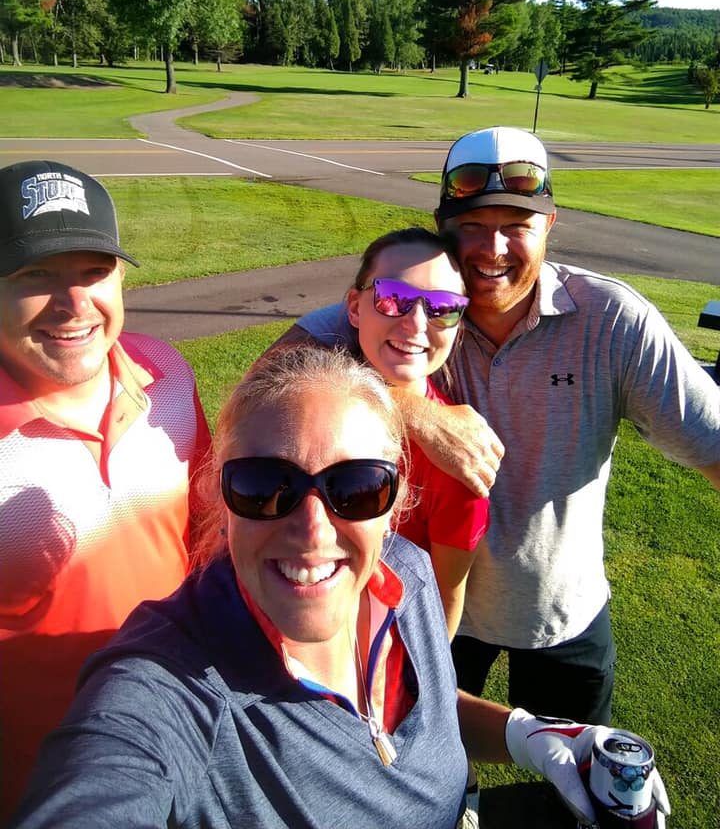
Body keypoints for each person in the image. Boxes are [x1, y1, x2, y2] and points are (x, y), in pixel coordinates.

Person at [8, 346, 669, 829]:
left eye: (356, 488)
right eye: (267, 487)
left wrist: (525, 733)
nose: (313, 528)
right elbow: (106, 776)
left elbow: (419, 717)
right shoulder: (168, 685)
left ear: (396, 499)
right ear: (218, 493)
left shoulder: (405, 576)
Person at [284, 125, 720, 727]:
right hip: (430, 608)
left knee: (576, 775)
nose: (492, 248)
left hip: (561, 609)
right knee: (434, 767)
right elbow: (276, 375)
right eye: (472, 225)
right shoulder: (416, 303)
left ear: (550, 225)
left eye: (517, 224)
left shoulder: (612, 320)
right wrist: (419, 410)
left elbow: (714, 445)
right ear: (443, 228)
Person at [0, 160, 211, 821]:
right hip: (41, 791)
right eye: (36, 275)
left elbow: (209, 541)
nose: (72, 304)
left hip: (184, 747)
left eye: (94, 271)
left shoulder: (168, 375)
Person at [346, 227, 489, 638]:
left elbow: (443, 602)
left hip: (378, 662)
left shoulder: (457, 460)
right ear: (355, 307)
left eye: (443, 307)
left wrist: (420, 692)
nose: (416, 324)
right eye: (394, 298)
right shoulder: (308, 398)